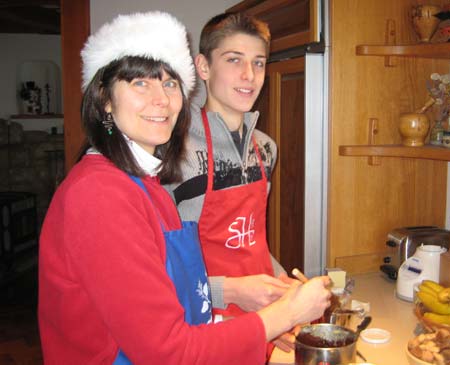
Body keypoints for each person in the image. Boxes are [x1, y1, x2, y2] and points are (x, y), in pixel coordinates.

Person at [38, 11, 331, 365]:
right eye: (140, 83)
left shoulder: (145, 186)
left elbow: (175, 299)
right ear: (104, 100)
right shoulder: (99, 195)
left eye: (170, 83)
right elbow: (167, 351)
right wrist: (282, 316)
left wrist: (247, 299)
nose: (161, 99)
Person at [164, 12, 296, 355]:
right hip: (202, 325)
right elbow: (159, 272)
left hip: (261, 318)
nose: (249, 76)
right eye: (233, 60)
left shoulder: (266, 149)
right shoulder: (172, 155)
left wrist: (285, 288)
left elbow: (253, 241)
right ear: (203, 67)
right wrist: (234, 292)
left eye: (259, 63)